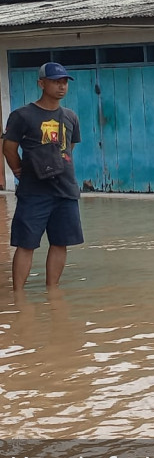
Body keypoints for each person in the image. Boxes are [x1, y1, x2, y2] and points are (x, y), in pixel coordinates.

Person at [3, 62, 83, 292]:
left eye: (65, 82)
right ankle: (18, 294)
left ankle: (52, 292)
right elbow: (9, 148)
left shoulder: (70, 116)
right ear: (41, 83)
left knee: (60, 242)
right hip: (34, 191)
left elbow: (70, 147)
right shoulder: (22, 115)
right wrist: (19, 172)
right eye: (56, 81)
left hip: (65, 190)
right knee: (26, 243)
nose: (61, 86)